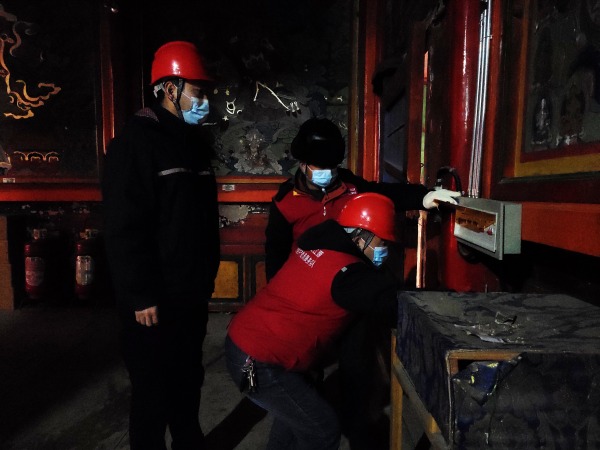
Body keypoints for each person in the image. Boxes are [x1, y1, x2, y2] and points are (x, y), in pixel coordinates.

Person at [264, 116, 460, 448]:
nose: (327, 173)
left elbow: (386, 193)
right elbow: (275, 258)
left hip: (352, 292)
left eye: (331, 166)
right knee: (305, 372)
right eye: (319, 166)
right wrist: (283, 305)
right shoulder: (285, 202)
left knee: (357, 371)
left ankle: (358, 433)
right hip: (310, 302)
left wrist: (425, 196)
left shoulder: (349, 186)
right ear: (302, 164)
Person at [102, 41, 220, 450]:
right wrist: (140, 294)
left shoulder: (194, 144)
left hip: (189, 293)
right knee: (152, 392)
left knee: (188, 380)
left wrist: (205, 278)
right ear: (171, 89)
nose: (204, 102)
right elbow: (124, 226)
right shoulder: (134, 144)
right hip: (152, 300)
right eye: (198, 92)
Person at [226, 193, 408, 450]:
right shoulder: (346, 275)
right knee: (321, 429)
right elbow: (391, 303)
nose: (385, 251)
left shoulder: (317, 243)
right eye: (382, 242)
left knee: (294, 423)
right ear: (360, 236)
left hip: (249, 343)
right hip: (259, 361)